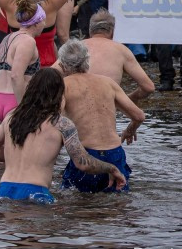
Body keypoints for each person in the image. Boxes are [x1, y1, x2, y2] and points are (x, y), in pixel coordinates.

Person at [0, 68, 126, 203]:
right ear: (59, 95)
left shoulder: (11, 117)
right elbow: (82, 163)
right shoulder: (61, 124)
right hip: (35, 193)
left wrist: (11, 158)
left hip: (4, 189)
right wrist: (112, 168)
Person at [58, 39, 146, 193]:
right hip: (115, 153)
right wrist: (129, 131)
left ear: (63, 65)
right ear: (87, 61)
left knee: (77, 204)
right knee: (116, 205)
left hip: (87, 155)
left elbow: (55, 119)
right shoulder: (108, 82)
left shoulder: (64, 86)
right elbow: (139, 116)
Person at [0, 0, 45, 130]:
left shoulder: (7, 39)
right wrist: (22, 107)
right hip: (14, 101)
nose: (44, 24)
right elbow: (16, 75)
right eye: (43, 20)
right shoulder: (28, 41)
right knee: (21, 150)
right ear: (36, 22)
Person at [83, 10, 155, 102]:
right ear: (113, 32)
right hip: (107, 106)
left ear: (90, 30)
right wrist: (128, 99)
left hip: (76, 107)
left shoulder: (74, 47)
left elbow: (58, 77)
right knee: (139, 116)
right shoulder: (121, 50)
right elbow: (148, 87)